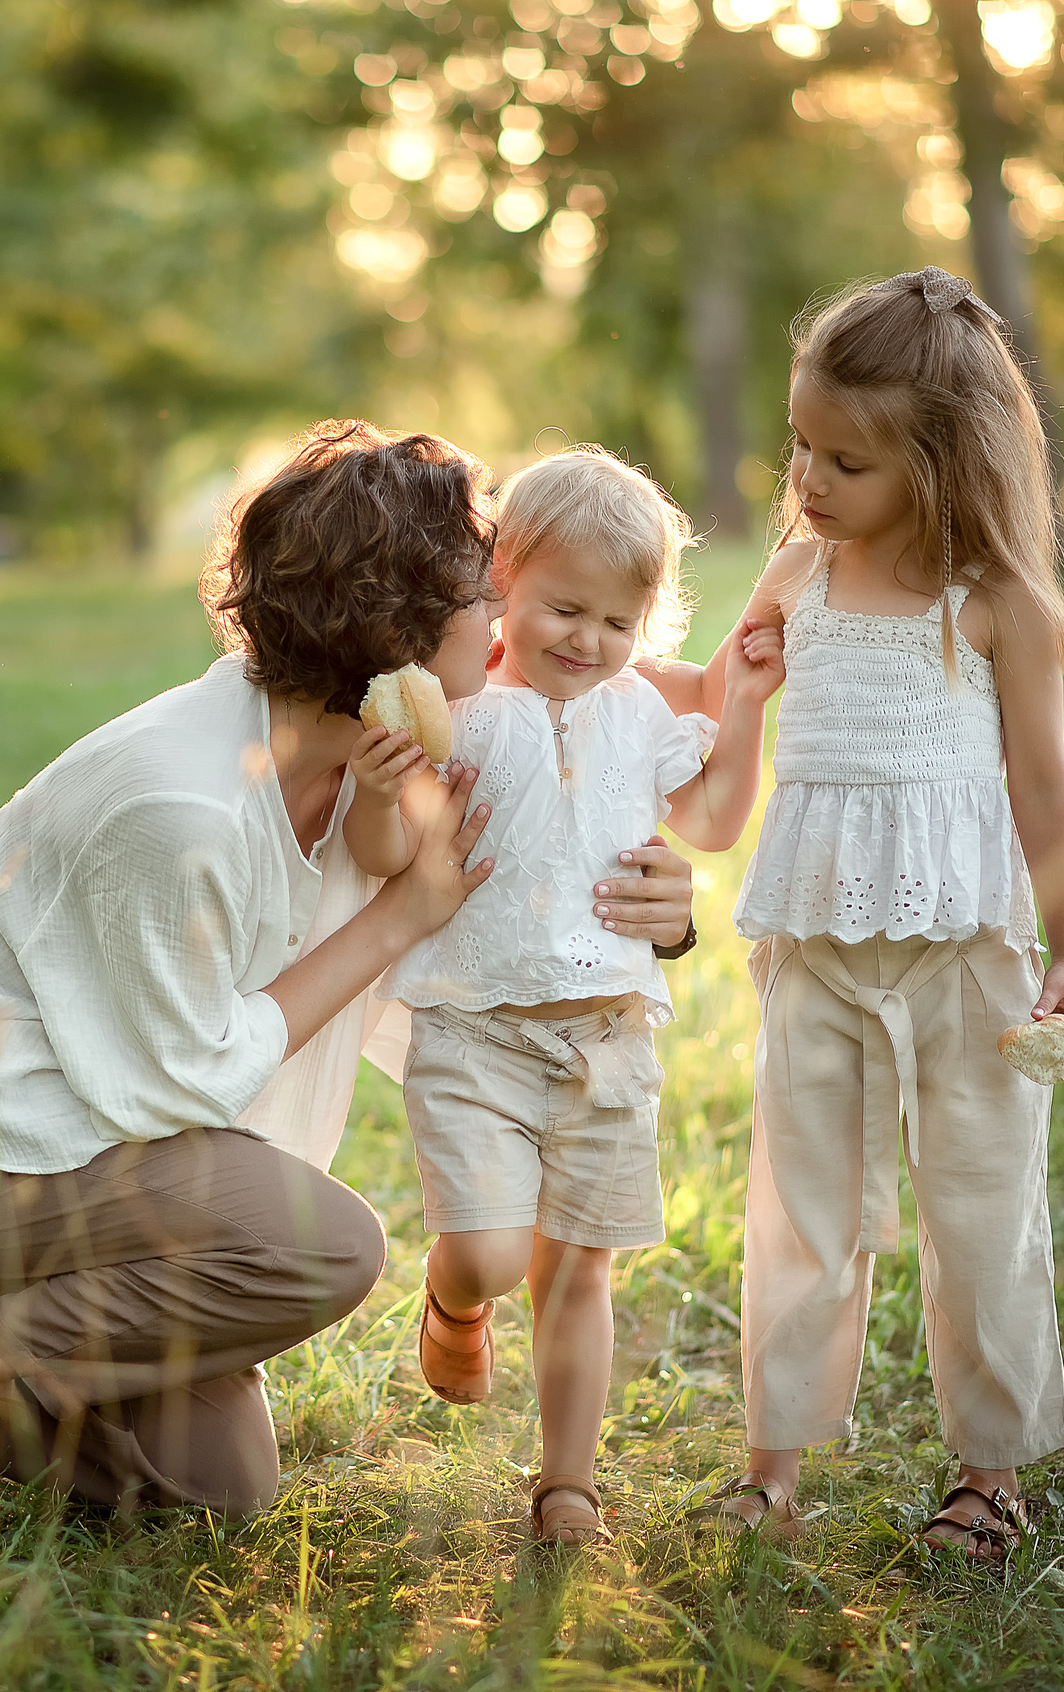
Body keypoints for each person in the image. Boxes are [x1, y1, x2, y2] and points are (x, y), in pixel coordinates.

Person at [0, 422, 701, 1524]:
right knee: (324, 1244)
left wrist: (666, 924)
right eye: (483, 597)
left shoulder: (367, 749)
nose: (505, 621)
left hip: (90, 1113)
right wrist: (399, 920)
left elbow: (549, 861)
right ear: (395, 635)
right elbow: (185, 1081)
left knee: (207, 1491)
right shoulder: (182, 808)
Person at [704, 268, 1064, 1562]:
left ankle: (990, 1474)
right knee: (799, 1212)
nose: (808, 479)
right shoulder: (795, 578)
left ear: (940, 463)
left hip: (966, 959)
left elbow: (1043, 792)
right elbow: (720, 708)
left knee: (980, 1208)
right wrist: (733, 694)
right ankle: (773, 1468)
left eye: (846, 461)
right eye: (800, 445)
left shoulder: (996, 605)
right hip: (816, 949)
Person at [340, 446, 783, 1546]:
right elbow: (385, 852)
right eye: (562, 609)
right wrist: (379, 785)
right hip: (475, 1027)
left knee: (580, 1269)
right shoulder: (462, 715)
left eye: (616, 623)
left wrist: (753, 707)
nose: (586, 642)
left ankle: (564, 1484)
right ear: (501, 585)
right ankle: (456, 1298)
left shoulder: (638, 714)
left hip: (607, 1036)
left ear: (647, 625)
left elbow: (715, 821)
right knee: (495, 1252)